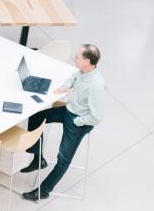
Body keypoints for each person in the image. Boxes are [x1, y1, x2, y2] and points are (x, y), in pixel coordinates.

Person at [22, 44, 105, 201]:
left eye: (78, 57)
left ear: (87, 61)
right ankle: (38, 159)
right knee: (36, 117)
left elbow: (97, 116)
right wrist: (66, 86)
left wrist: (78, 121)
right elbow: (74, 76)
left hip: (78, 121)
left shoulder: (96, 85)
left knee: (63, 159)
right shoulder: (83, 72)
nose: (74, 58)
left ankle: (44, 190)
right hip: (70, 110)